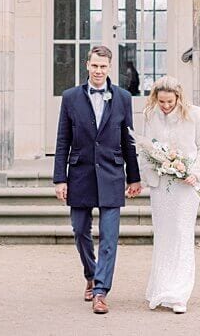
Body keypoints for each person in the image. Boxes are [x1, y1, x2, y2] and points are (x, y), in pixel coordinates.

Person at [53, 45, 142, 315]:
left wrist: (134, 176)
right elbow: (62, 140)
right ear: (87, 66)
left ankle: (101, 291)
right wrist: (60, 179)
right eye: (95, 66)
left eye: (103, 66)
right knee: (80, 231)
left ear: (109, 67)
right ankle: (90, 275)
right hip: (79, 174)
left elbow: (129, 139)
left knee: (110, 236)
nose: (99, 71)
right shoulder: (70, 97)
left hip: (112, 173)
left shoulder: (124, 97)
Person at [137, 76, 200, 314]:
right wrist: (150, 173)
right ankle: (159, 288)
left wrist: (196, 173)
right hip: (161, 186)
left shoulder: (195, 114)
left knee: (181, 233)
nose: (166, 106)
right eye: (162, 101)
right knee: (163, 234)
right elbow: (145, 149)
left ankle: (179, 293)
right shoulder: (150, 114)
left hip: (186, 186)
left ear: (178, 97)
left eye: (170, 101)